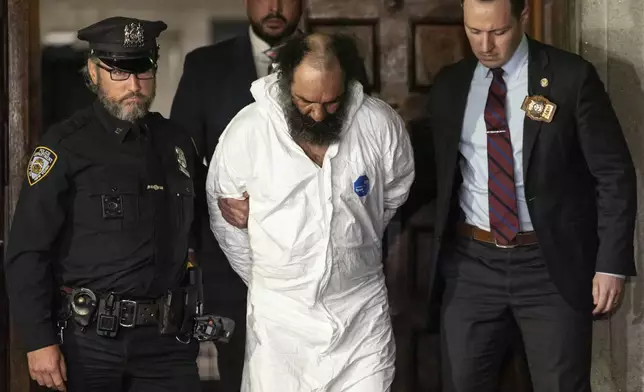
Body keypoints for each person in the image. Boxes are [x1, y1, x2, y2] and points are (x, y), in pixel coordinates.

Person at [427, 0, 637, 391]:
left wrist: (611, 264)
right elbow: (431, 172)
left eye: (499, 31)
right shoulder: (450, 84)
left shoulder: (570, 77)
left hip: (549, 266)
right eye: (474, 31)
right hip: (473, 266)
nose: (485, 44)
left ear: (523, 17)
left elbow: (613, 174)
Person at [206, 32, 414, 392]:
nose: (318, 113)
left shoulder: (380, 124)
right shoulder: (247, 131)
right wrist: (274, 277)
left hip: (360, 311)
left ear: (347, 84)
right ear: (286, 80)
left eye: (331, 102)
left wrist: (348, 243)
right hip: (279, 322)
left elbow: (394, 192)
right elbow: (225, 220)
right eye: (305, 101)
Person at [4, 17, 201, 392]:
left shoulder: (176, 143)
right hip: (87, 341)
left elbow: (205, 225)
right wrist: (38, 340)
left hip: (167, 342)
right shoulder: (65, 145)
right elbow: (27, 252)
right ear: (94, 72)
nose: (133, 86)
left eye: (142, 71)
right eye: (118, 72)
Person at [169, 2, 304, 388]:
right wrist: (189, 242)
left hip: (312, 256)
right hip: (230, 258)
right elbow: (184, 162)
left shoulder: (331, 59)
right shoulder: (205, 66)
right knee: (240, 371)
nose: (275, 7)